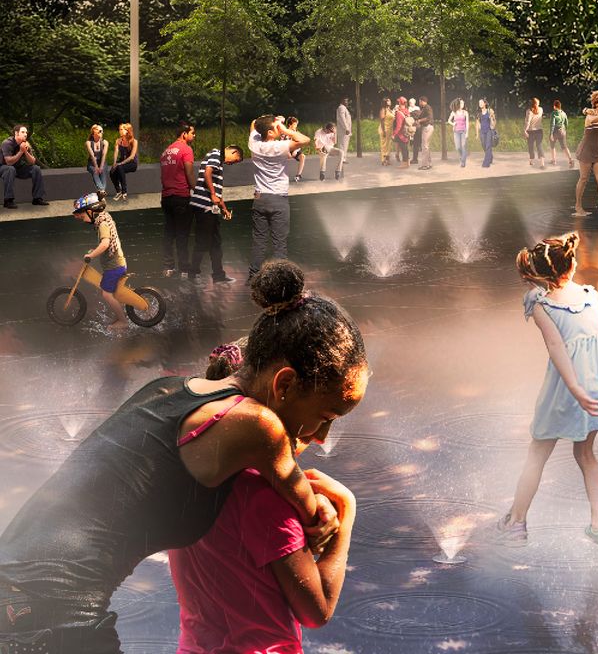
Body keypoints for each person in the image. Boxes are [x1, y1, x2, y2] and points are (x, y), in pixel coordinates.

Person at [0, 262, 362, 653]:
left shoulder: (171, 390)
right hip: (53, 610)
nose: (323, 436)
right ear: (285, 383)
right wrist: (329, 513)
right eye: (326, 415)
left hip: (16, 587)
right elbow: (305, 503)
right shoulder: (258, 424)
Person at [167, 341, 358, 652]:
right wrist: (346, 511)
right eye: (324, 417)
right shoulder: (264, 499)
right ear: (283, 391)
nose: (322, 437)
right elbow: (316, 610)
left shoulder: (186, 472)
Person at [497, 232, 598, 547]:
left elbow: (556, 347)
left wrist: (574, 389)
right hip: (596, 390)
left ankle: (517, 523)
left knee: (537, 454)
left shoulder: (541, 304)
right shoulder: (593, 297)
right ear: (573, 264)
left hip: (566, 390)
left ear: (541, 273)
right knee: (586, 455)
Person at [248, 115, 309, 277]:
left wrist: (272, 122)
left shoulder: (254, 143)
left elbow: (254, 123)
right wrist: (286, 130)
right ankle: (279, 278)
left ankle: (253, 276)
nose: (280, 128)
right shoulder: (279, 146)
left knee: (259, 241)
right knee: (279, 243)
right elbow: (305, 140)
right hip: (278, 199)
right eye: (277, 127)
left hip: (260, 199)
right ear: (270, 132)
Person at [71, 192, 131, 327]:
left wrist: (91, 255)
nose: (83, 219)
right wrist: (94, 250)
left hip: (114, 266)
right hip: (116, 264)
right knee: (114, 292)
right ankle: (121, 314)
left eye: (83, 216)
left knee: (106, 294)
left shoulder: (102, 224)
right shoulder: (104, 218)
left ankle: (123, 321)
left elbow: (105, 244)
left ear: (91, 211)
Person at [187, 145, 240, 284]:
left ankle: (218, 275)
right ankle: (193, 274)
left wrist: (224, 210)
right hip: (204, 206)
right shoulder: (217, 154)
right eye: (235, 160)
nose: (232, 163)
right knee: (202, 242)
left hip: (210, 207)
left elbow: (217, 193)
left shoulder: (218, 160)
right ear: (233, 151)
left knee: (215, 243)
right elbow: (207, 173)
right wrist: (212, 194)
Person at [160, 121, 198, 276]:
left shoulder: (166, 151)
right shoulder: (186, 149)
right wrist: (197, 190)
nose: (194, 136)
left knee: (169, 233)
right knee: (182, 234)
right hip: (181, 196)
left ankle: (168, 267)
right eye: (192, 133)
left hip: (166, 197)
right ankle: (184, 268)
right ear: (184, 134)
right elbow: (189, 173)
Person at [573, 91, 598, 218]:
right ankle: (578, 206)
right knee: (583, 178)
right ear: (596, 103)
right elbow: (593, 120)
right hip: (586, 150)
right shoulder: (590, 115)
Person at [1, 123, 48, 208]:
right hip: (3, 167)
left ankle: (37, 198)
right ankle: (8, 200)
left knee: (36, 169)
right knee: (10, 169)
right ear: (16, 133)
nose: (25, 134)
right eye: (23, 132)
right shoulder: (7, 143)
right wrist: (21, 152)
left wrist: (25, 151)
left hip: (17, 168)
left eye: (26, 132)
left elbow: (32, 162)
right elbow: (8, 162)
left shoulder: (25, 144)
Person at [108, 123, 138, 201]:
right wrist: (114, 163)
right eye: (119, 129)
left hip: (132, 163)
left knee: (120, 167)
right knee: (112, 172)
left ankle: (124, 191)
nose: (120, 131)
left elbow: (132, 157)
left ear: (127, 130)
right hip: (121, 161)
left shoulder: (134, 141)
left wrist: (120, 163)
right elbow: (116, 152)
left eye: (122, 129)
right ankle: (119, 191)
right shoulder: (118, 141)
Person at [83, 124, 108, 195]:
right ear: (94, 131)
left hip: (102, 162)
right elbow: (92, 155)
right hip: (92, 163)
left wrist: (101, 167)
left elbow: (104, 155)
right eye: (100, 131)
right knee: (95, 171)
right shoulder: (88, 143)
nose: (101, 132)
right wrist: (96, 166)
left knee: (103, 171)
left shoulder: (105, 142)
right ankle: (102, 190)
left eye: (102, 131)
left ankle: (101, 192)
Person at [448, 99, 471, 168]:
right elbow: (449, 120)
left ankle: (463, 162)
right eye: (461, 103)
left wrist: (467, 133)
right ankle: (462, 156)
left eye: (463, 103)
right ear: (458, 104)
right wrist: (453, 124)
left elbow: (467, 123)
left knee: (463, 146)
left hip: (463, 131)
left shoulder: (465, 112)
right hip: (456, 131)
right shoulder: (454, 112)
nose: (462, 104)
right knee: (457, 147)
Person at [413, 98, 435, 171]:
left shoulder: (427, 107)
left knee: (424, 146)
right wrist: (417, 121)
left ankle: (425, 165)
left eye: (420, 101)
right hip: (427, 127)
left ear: (422, 101)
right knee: (426, 146)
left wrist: (419, 120)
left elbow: (429, 117)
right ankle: (429, 164)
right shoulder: (425, 108)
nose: (419, 103)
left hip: (427, 127)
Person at [525, 99, 545, 168]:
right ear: (537, 103)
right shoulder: (541, 109)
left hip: (531, 131)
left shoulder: (529, 111)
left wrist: (525, 130)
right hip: (539, 131)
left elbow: (528, 122)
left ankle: (531, 161)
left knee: (531, 146)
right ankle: (542, 164)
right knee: (539, 146)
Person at [478, 99, 498, 168]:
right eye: (479, 103)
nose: (480, 104)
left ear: (485, 103)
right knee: (484, 145)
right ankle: (490, 156)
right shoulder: (479, 113)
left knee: (488, 146)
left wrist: (491, 117)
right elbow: (478, 122)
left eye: (481, 102)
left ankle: (486, 163)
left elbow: (494, 121)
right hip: (482, 132)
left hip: (489, 131)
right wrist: (478, 131)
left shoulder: (490, 111)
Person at [335, 96, 353, 163]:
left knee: (344, 145)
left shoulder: (343, 108)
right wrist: (346, 128)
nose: (347, 102)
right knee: (343, 145)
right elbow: (342, 119)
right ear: (342, 101)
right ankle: (342, 159)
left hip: (344, 131)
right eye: (346, 101)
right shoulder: (341, 107)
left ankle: (343, 159)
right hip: (343, 131)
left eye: (347, 101)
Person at [378, 98, 395, 167]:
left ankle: (387, 160)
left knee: (388, 145)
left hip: (390, 130)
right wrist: (384, 131)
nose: (390, 101)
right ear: (385, 102)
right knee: (384, 145)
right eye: (388, 101)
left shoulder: (390, 110)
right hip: (384, 129)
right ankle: (383, 160)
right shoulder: (383, 110)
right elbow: (382, 121)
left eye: (390, 100)